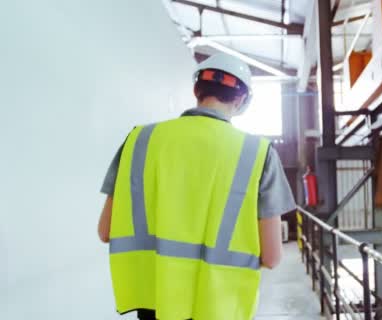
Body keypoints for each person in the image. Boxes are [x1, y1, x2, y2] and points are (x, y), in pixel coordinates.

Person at [97, 53, 296, 320]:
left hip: (153, 300)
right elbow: (272, 256)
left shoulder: (140, 141)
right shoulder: (257, 153)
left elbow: (105, 230)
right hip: (220, 305)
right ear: (241, 100)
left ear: (196, 91)